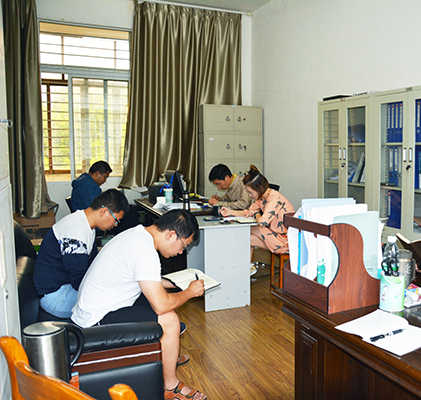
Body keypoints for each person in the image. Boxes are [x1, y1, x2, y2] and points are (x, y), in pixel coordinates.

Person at [71, 210, 207, 400]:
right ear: (170, 235)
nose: (181, 252)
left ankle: (166, 355)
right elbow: (161, 305)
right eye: (183, 246)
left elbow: (146, 278)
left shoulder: (138, 234)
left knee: (160, 299)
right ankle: (170, 386)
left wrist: (177, 284)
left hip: (94, 309)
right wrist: (189, 292)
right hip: (94, 321)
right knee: (169, 319)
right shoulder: (144, 251)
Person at [33, 189, 129, 318]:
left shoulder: (86, 225)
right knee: (117, 301)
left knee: (120, 293)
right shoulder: (75, 230)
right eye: (116, 220)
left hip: (65, 288)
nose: (116, 225)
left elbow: (93, 265)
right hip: (55, 296)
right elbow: (79, 281)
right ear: (104, 211)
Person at [220, 165, 295, 275]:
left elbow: (262, 222)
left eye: (250, 192)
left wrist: (256, 213)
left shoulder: (274, 198)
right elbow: (248, 211)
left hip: (284, 240)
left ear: (259, 188)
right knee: (245, 239)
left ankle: (244, 269)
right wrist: (231, 212)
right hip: (273, 234)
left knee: (247, 231)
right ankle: (247, 268)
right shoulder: (262, 197)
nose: (250, 195)